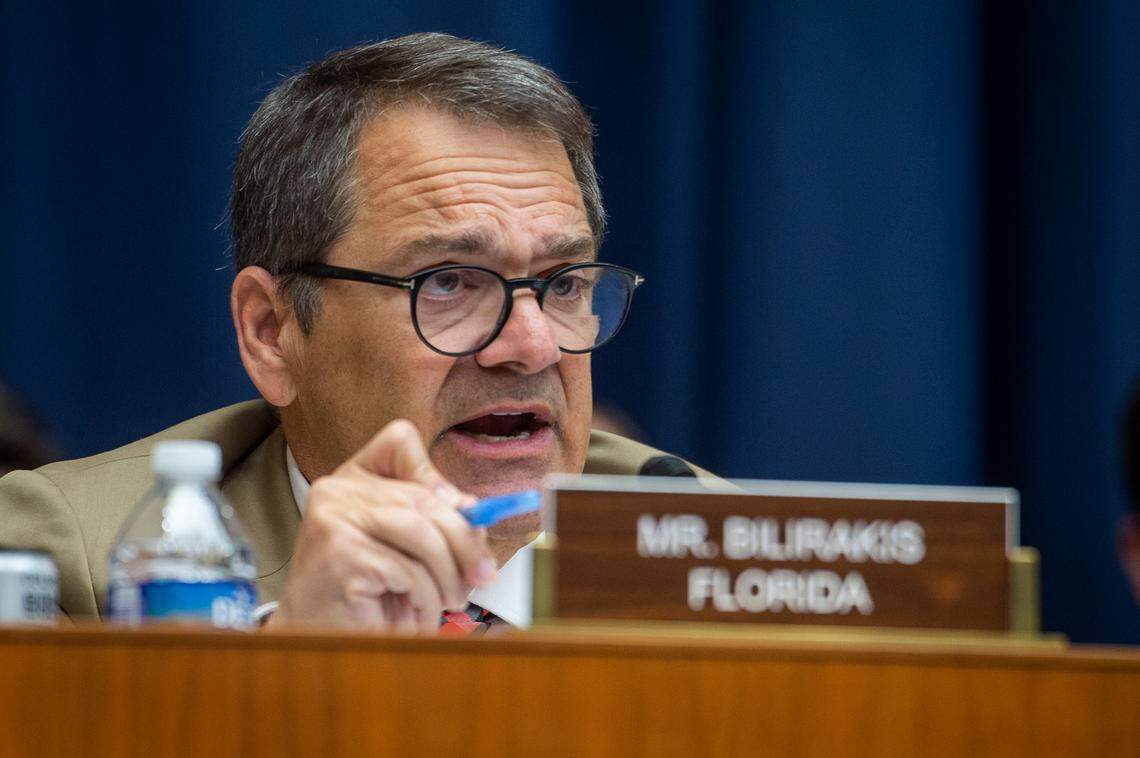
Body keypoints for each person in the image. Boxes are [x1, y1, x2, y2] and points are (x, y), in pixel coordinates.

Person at [0, 33, 708, 632]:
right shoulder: (67, 561)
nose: (532, 345)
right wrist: (288, 668)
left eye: (565, 284)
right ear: (272, 332)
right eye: (450, 283)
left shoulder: (718, 554)